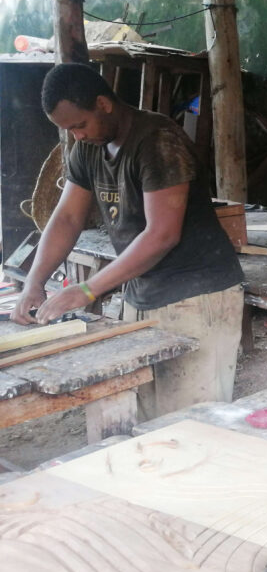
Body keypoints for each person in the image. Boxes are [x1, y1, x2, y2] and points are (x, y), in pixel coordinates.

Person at [13, 63, 245, 419]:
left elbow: (162, 235)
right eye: (67, 130)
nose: (76, 136)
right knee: (149, 421)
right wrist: (34, 283)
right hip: (142, 293)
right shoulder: (89, 147)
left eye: (79, 125)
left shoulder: (158, 141)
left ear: (104, 104)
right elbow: (67, 218)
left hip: (199, 297)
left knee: (194, 424)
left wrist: (87, 290)